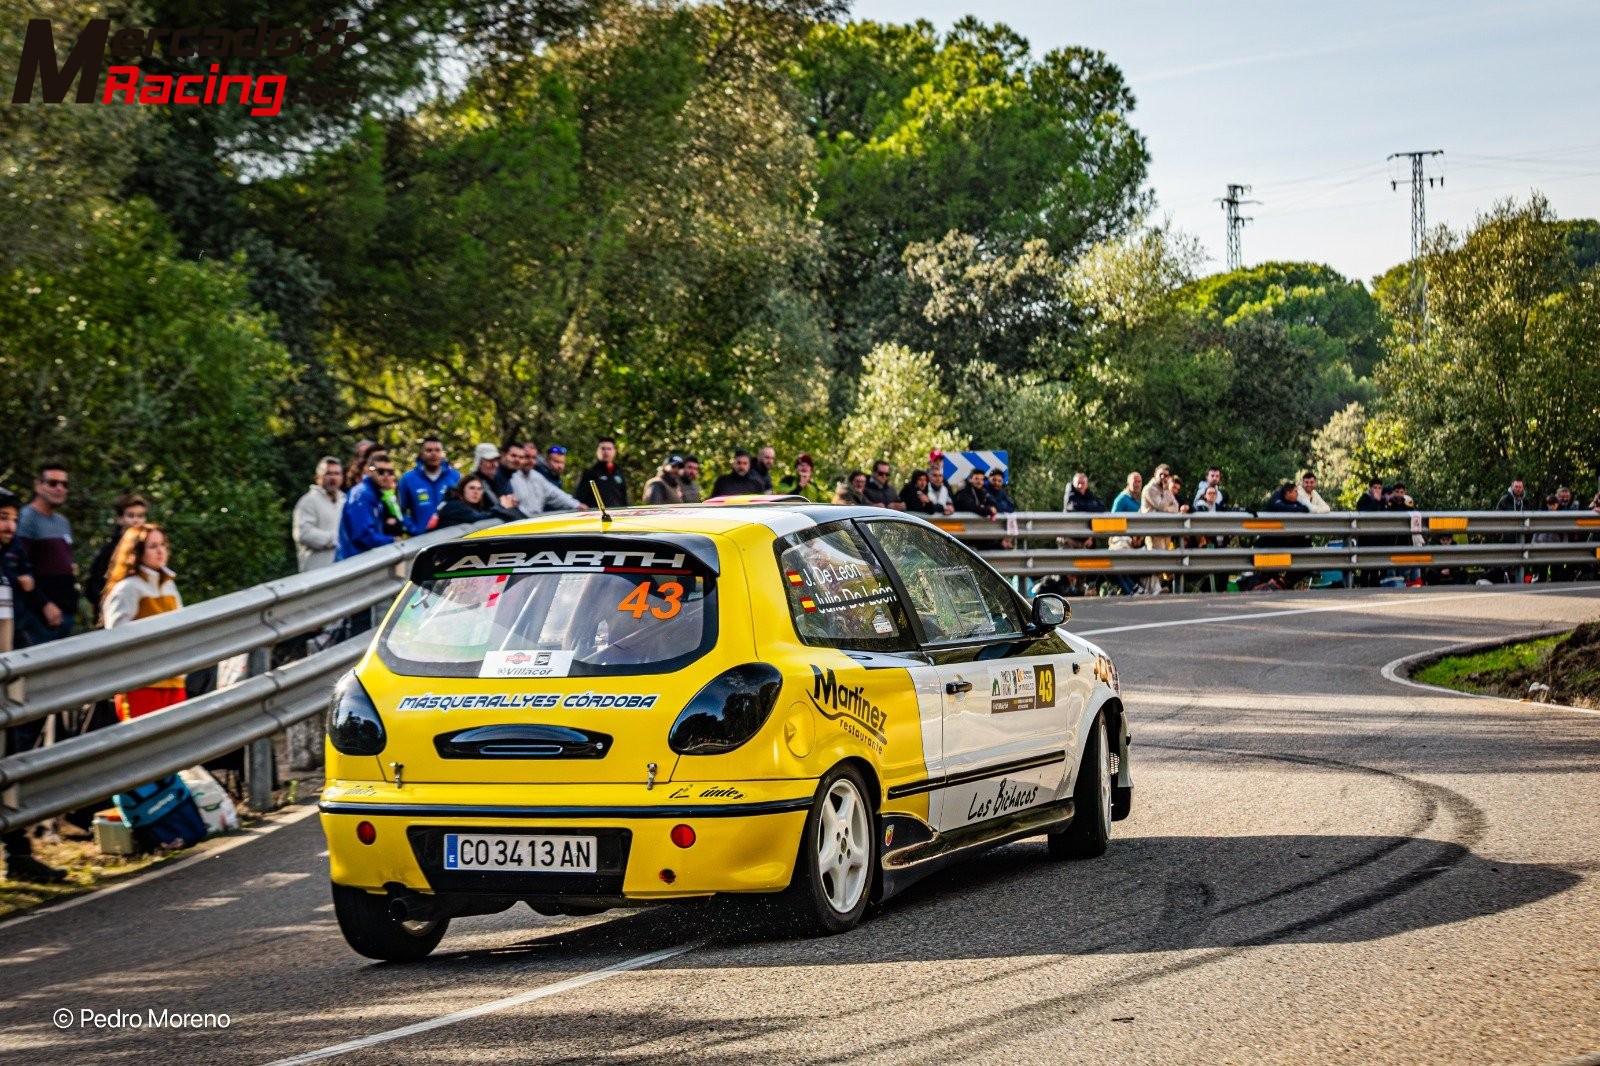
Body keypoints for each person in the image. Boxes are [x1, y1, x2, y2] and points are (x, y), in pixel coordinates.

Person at [0, 490, 62, 884]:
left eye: (9, 518)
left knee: (12, 764)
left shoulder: (12, 557)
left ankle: (18, 854)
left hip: (9, 677)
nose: (7, 526)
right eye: (0, 518)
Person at [101, 523, 187, 720]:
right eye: (152, 546)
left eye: (162, 544)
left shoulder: (169, 585)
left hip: (174, 680)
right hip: (142, 683)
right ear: (137, 552)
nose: (160, 551)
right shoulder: (128, 588)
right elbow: (116, 637)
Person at [15, 463, 78, 645]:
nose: (59, 488)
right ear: (38, 485)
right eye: (52, 483)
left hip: (65, 612)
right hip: (39, 617)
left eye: (64, 484)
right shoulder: (26, 518)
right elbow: (19, 568)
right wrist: (43, 605)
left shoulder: (62, 522)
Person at [85, 492, 150, 616]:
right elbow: (92, 586)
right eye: (131, 516)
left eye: (140, 516)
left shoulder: (149, 547)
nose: (136, 520)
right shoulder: (109, 550)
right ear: (120, 519)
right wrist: (108, 606)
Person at [336, 452, 403, 561]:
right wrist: (393, 540)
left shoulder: (377, 494)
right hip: (353, 562)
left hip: (364, 560)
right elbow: (362, 536)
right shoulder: (362, 495)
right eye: (381, 471)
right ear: (368, 471)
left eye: (390, 472)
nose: (386, 476)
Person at [397, 437, 460, 535]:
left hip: (452, 537)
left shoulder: (455, 476)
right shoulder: (408, 479)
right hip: (422, 539)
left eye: (437, 450)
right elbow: (400, 511)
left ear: (442, 453)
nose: (433, 453)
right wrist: (413, 529)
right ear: (422, 454)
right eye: (429, 450)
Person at [292, 458, 344, 572]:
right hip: (316, 572)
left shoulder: (344, 500)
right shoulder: (308, 501)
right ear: (318, 478)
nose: (333, 478)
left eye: (337, 474)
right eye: (328, 474)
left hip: (341, 569)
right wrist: (335, 539)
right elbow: (303, 534)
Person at [1139, 464, 1182, 594]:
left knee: (1162, 560)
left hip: (1165, 529)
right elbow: (1161, 505)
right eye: (1161, 474)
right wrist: (1167, 501)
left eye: (1166, 475)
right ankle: (1154, 589)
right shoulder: (1149, 489)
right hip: (1153, 529)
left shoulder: (1165, 490)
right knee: (1155, 559)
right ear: (1155, 474)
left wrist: (1167, 505)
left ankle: (1154, 588)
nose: (1163, 477)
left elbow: (1176, 507)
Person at [432, 475, 523, 527]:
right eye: (472, 488)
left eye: (479, 489)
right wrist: (502, 506)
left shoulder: (460, 504)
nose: (476, 492)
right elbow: (478, 518)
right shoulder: (454, 505)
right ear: (462, 490)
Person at [511, 451, 586, 514]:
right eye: (527, 457)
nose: (531, 461)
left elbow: (555, 493)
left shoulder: (537, 476)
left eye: (533, 458)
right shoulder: (511, 476)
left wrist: (577, 505)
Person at [576, 438, 629, 508]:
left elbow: (624, 497)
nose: (606, 452)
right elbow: (580, 498)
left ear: (615, 451)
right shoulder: (589, 473)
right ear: (597, 451)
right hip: (597, 514)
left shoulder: (619, 472)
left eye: (609, 449)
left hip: (618, 513)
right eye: (603, 449)